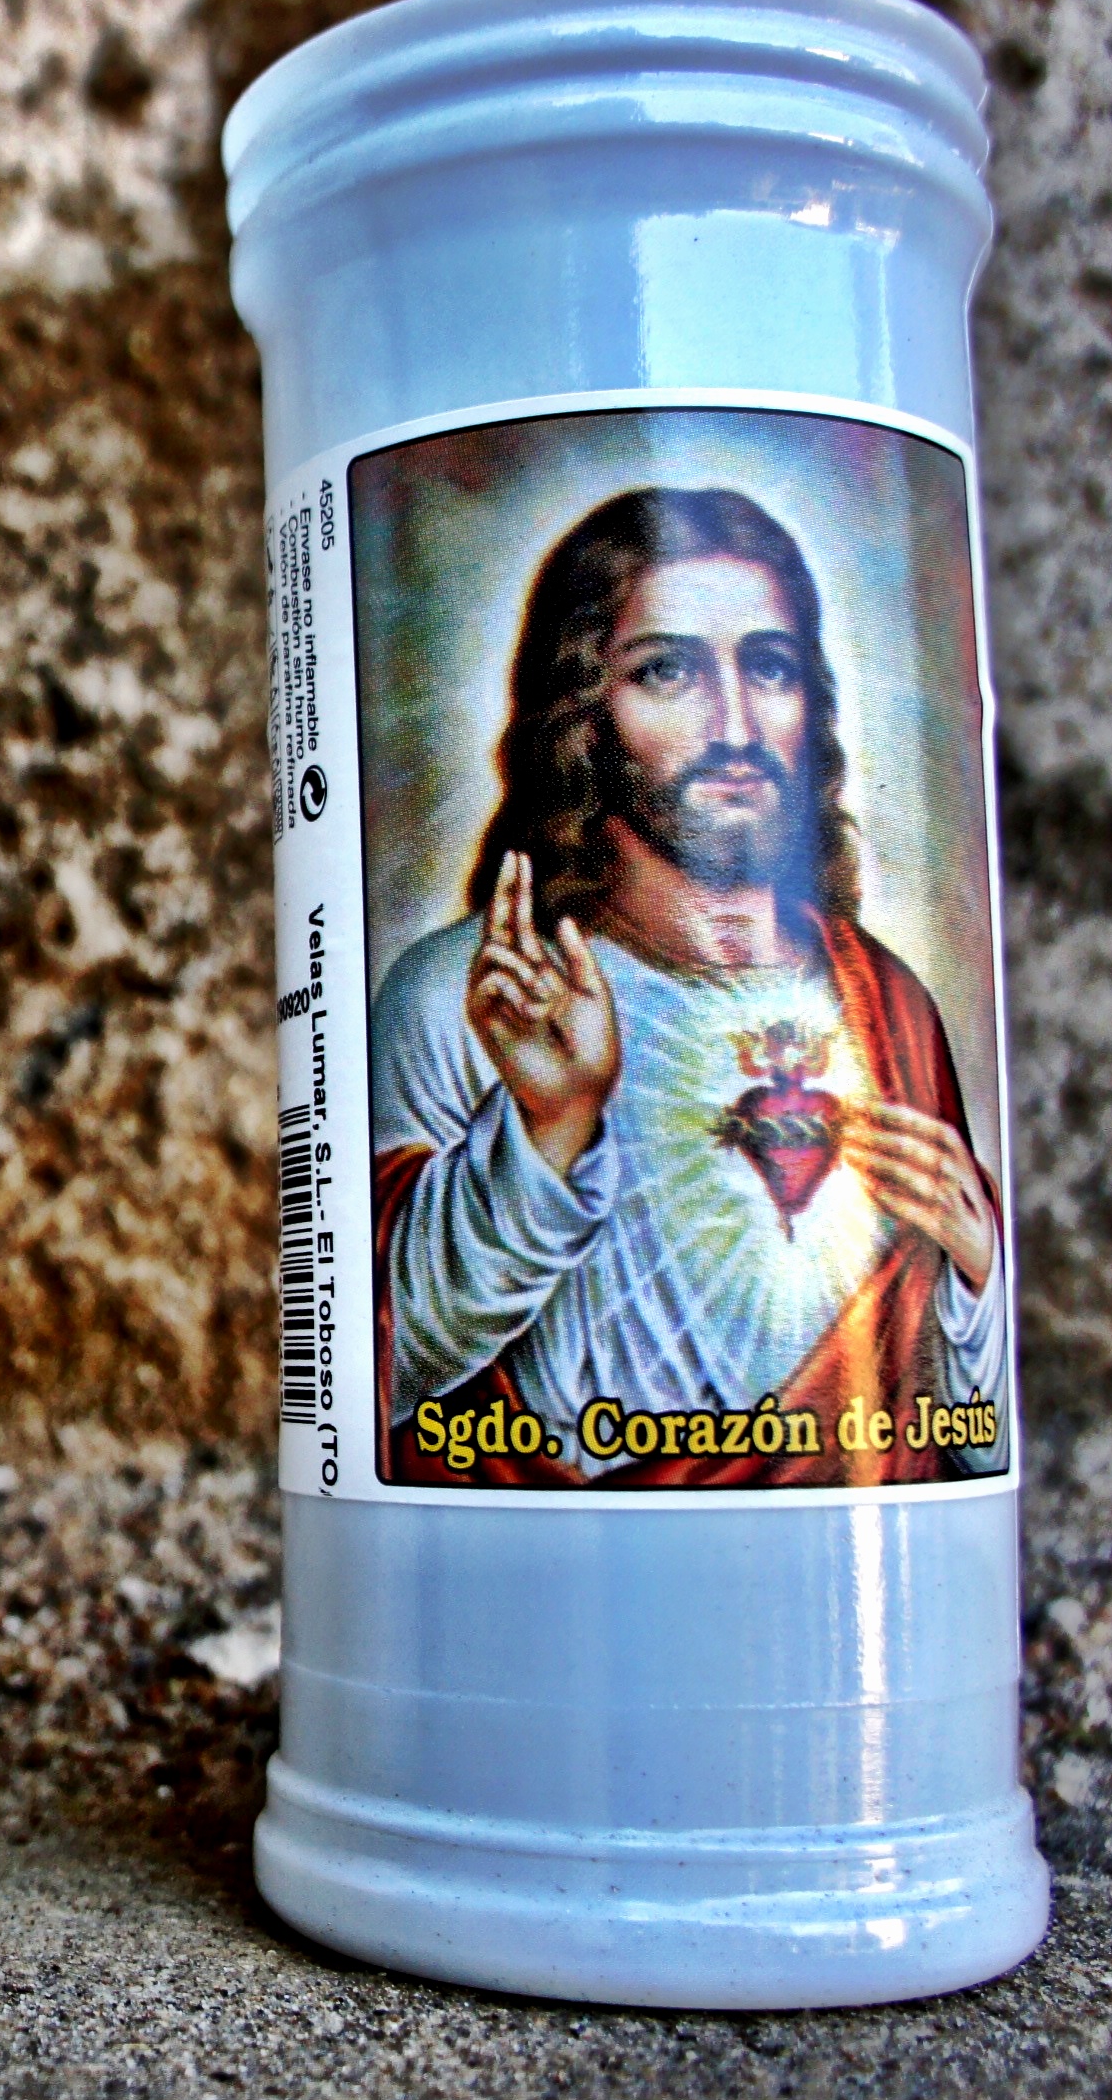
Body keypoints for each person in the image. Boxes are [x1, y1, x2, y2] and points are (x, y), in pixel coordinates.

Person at [370, 487, 1008, 1487]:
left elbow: (972, 1443)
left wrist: (977, 1281)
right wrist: (549, 1129)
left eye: (769, 666)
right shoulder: (476, 996)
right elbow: (374, 1367)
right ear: (586, 713)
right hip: (543, 1560)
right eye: (667, 670)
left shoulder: (886, 1011)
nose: (735, 724)